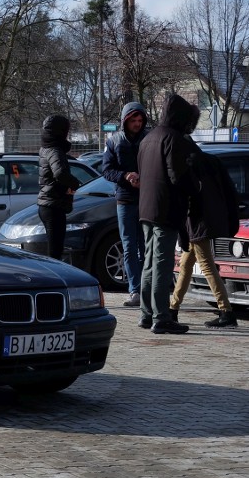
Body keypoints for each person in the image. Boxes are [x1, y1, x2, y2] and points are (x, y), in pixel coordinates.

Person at [136, 94, 198, 334]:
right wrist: (196, 187)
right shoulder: (175, 139)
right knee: (162, 263)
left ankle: (146, 313)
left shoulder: (148, 138)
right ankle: (161, 317)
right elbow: (177, 177)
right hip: (166, 209)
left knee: (149, 263)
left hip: (146, 208)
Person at [169, 145, 240, 328]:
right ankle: (173, 308)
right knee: (186, 264)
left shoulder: (188, 164)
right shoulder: (209, 161)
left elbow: (189, 198)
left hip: (196, 221)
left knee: (206, 265)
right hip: (207, 219)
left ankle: (226, 311)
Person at [102, 102, 149, 307]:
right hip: (125, 199)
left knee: (145, 246)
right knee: (129, 246)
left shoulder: (149, 139)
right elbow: (106, 170)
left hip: (145, 198)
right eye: (133, 121)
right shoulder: (114, 141)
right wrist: (125, 176)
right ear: (125, 121)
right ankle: (135, 290)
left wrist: (144, 179)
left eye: (140, 121)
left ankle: (146, 289)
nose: (137, 124)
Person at [37, 114, 79, 260]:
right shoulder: (55, 150)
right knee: (55, 253)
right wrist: (74, 184)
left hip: (47, 203)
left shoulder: (46, 148)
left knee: (54, 249)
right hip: (53, 205)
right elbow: (60, 173)